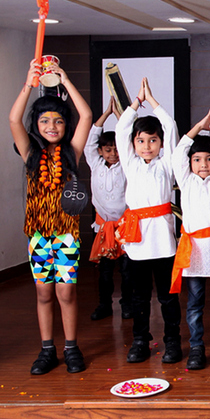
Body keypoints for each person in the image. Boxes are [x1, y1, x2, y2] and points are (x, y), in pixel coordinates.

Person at [10, 60, 92, 374]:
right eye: (45, 121)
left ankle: (72, 348)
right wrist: (28, 85)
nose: (52, 127)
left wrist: (66, 79)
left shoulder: (72, 151)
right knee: (44, 292)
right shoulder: (30, 153)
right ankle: (47, 350)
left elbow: (84, 114)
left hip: (66, 234)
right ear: (37, 125)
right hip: (38, 235)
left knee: (66, 292)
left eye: (58, 121)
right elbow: (14, 118)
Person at [116, 78, 182, 365]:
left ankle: (172, 342)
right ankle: (140, 341)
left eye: (152, 140)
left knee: (168, 298)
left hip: (164, 242)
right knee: (140, 297)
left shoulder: (167, 164)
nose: (147, 145)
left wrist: (152, 101)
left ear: (160, 143)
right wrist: (135, 104)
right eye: (141, 140)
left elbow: (171, 128)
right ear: (133, 144)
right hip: (136, 241)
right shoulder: (130, 163)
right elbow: (120, 129)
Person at [171, 108, 210, 370]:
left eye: (209, 159)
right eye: (197, 160)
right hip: (193, 252)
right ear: (190, 163)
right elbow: (177, 153)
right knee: (195, 304)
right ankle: (197, 347)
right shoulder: (186, 181)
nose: (203, 165)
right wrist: (199, 125)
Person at [84, 96, 131, 321]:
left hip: (124, 226)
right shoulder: (95, 163)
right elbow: (90, 141)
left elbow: (130, 138)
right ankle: (104, 305)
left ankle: (127, 304)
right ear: (100, 151)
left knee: (127, 270)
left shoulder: (128, 165)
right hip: (103, 226)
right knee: (104, 271)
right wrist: (106, 114)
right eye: (108, 149)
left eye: (116, 149)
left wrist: (121, 117)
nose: (113, 153)